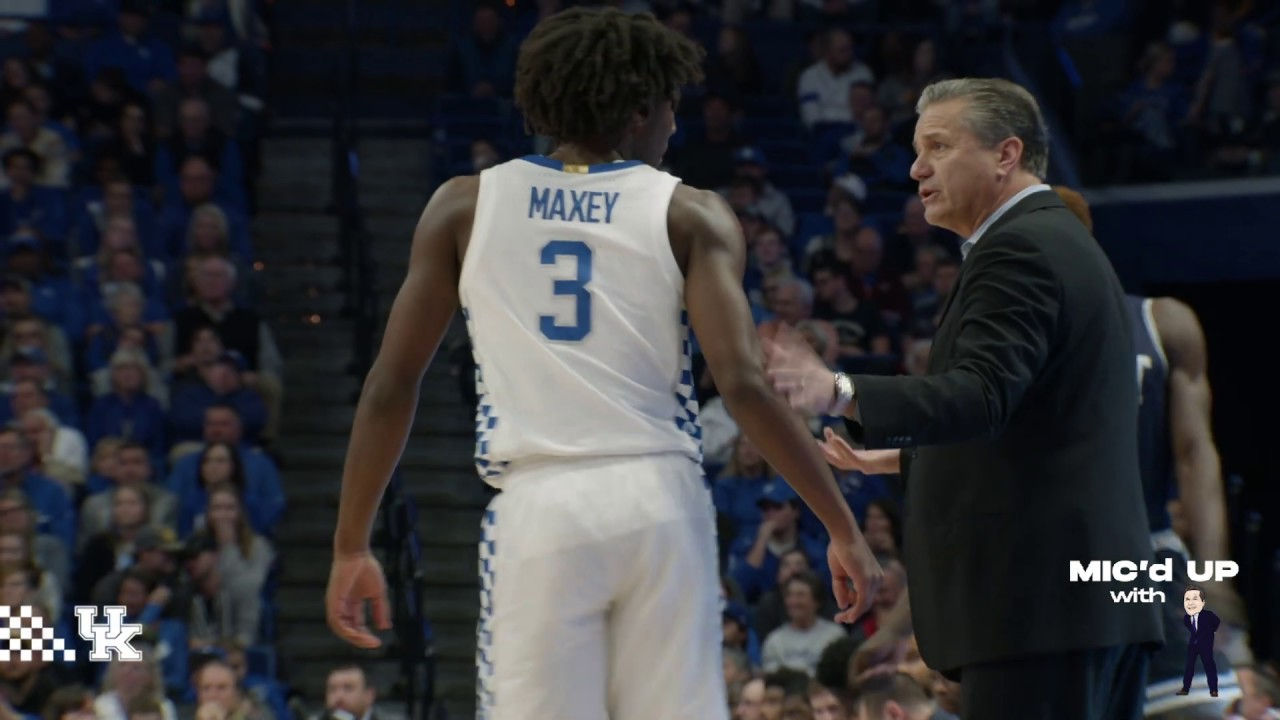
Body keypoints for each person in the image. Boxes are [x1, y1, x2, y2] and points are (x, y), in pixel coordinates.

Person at [323, 8, 882, 720]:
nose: (675, 128)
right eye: (672, 109)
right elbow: (741, 385)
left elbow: (389, 387)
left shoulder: (463, 206)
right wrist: (842, 526)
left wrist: (350, 544)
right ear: (641, 109)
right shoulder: (694, 213)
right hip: (659, 496)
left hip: (542, 503)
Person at [761, 77, 1162, 719]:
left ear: (1006, 154)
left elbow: (981, 395)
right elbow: (1040, 421)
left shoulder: (1020, 248)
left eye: (939, 146)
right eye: (918, 150)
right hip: (1083, 607)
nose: (917, 167)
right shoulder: (1052, 240)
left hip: (1040, 610)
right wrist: (896, 460)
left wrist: (836, 389)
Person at [1051, 184, 1257, 715]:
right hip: (1049, 574)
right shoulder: (1001, 344)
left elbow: (1194, 452)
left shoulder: (1160, 321)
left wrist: (1213, 566)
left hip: (1146, 559)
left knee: (1201, 706)